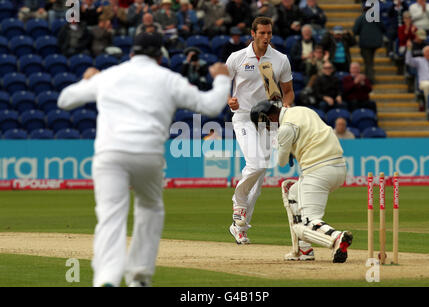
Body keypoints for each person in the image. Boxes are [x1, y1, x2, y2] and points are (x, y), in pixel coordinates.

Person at [57, 32, 231, 287]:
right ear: (160, 57)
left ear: (131, 54)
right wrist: (222, 80)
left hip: (110, 153)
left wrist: (88, 80)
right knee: (149, 208)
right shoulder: (169, 78)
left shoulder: (110, 76)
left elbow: (64, 100)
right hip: (148, 153)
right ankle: (139, 277)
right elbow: (211, 106)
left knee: (110, 215)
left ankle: (107, 278)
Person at [249, 100, 353, 263]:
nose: (268, 130)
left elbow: (281, 162)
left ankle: (336, 238)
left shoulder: (285, 128)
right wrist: (291, 147)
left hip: (318, 170)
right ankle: (304, 250)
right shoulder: (302, 110)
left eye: (266, 126)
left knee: (304, 224)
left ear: (268, 118)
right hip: (339, 168)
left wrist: (284, 148)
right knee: (291, 190)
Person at [225, 17, 294, 245]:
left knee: (259, 177)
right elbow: (223, 84)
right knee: (257, 165)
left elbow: (288, 91)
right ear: (252, 33)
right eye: (262, 33)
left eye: (269, 33)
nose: (266, 37)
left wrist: (286, 106)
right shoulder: (237, 58)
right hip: (244, 117)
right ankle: (238, 203)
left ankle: (240, 226)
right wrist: (229, 99)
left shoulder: (280, 59)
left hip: (268, 120)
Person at [353, 2, 386, 84]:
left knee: (368, 62)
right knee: (369, 60)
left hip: (365, 43)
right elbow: (383, 28)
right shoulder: (376, 18)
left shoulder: (361, 17)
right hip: (376, 43)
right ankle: (369, 77)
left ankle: (370, 79)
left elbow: (355, 31)